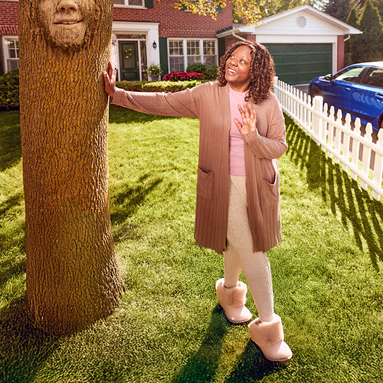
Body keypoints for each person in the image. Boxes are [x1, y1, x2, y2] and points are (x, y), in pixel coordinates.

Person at [103, 41, 292, 362]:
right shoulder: (208, 93)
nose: (233, 62)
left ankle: (231, 296)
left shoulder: (268, 102)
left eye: (243, 61)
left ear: (256, 70)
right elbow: (164, 102)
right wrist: (117, 95)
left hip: (260, 186)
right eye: (232, 56)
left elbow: (279, 147)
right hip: (222, 183)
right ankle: (268, 329)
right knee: (252, 247)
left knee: (238, 241)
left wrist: (251, 136)